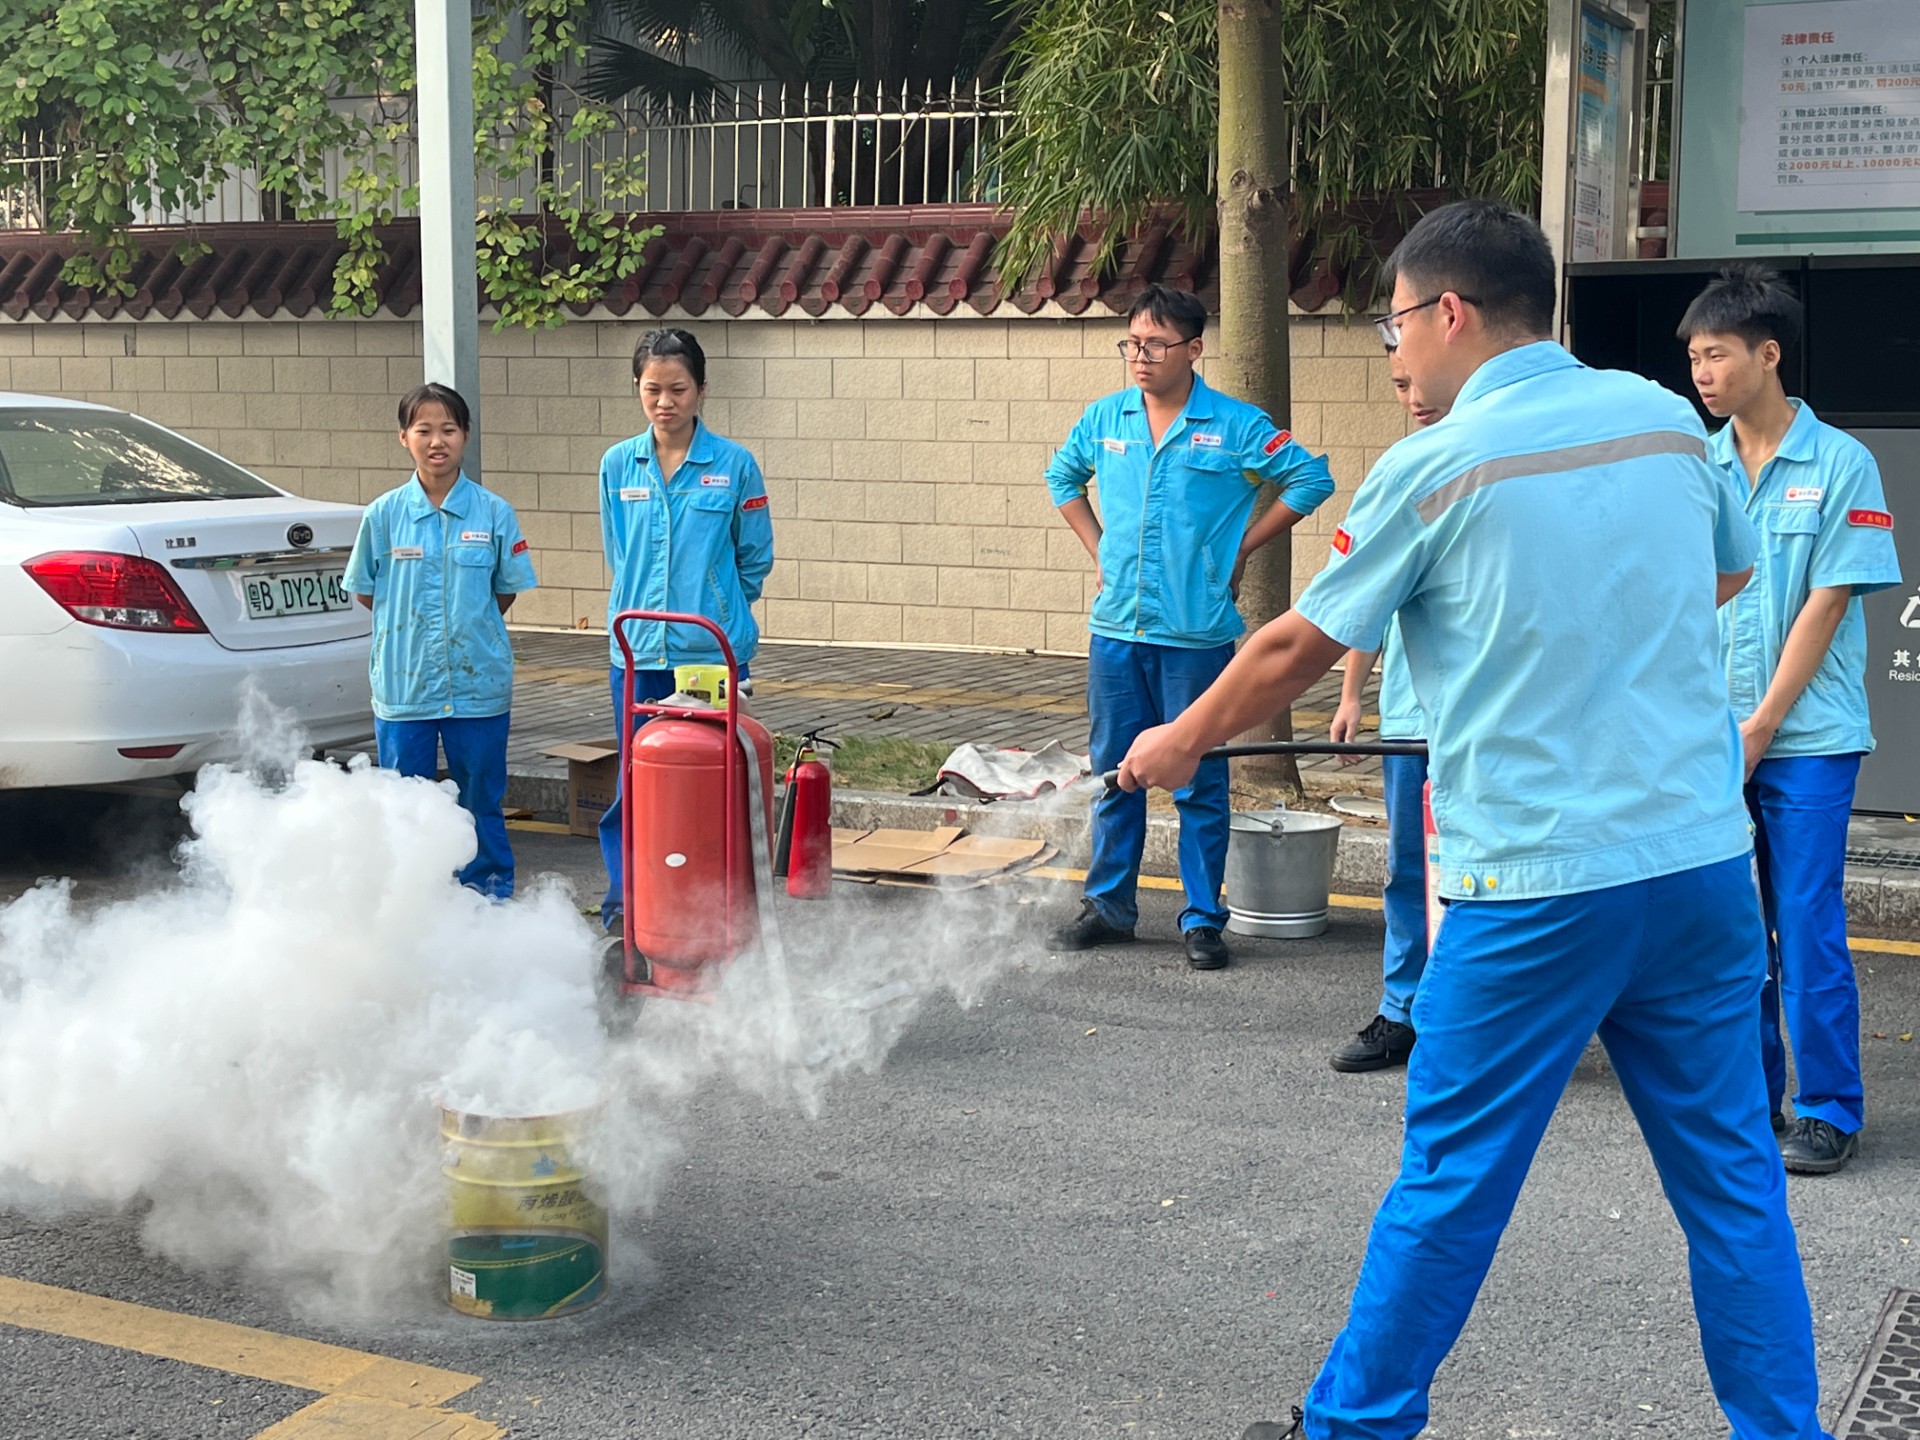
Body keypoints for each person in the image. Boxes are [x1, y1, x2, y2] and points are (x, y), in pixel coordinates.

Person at [1118, 201, 1835, 1440]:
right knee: (1733, 1183)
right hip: (1702, 865)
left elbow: (1299, 638)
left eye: (1395, 325)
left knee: (1450, 1185)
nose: (1392, 354)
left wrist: (1182, 740)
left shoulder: (1437, 463)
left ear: (1450, 313)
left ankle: (1355, 1426)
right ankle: (1784, 1429)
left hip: (1537, 886)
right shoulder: (1671, 422)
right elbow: (1723, 575)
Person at [1682, 264, 1902, 1175]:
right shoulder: (1698, 463)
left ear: (1767, 354)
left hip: (1806, 739)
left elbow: (1828, 601)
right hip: (1711, 734)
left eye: (1718, 354)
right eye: (1692, 356)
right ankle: (1754, 1099)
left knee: (1806, 920)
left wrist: (1763, 723)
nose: (1701, 372)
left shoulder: (1843, 461)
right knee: (1735, 926)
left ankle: (1828, 1106)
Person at [1043, 284, 1334, 970]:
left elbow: (1309, 480)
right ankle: (1109, 905)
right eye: (1131, 344)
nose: (1139, 357)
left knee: (1199, 779)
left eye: (1154, 345)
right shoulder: (1104, 418)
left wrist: (1240, 547)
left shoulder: (1233, 425)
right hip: (1116, 631)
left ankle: (1203, 917)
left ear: (1193, 349)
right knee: (1116, 773)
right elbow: (1062, 479)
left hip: (1196, 635)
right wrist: (1099, 550)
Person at [597, 327, 775, 936]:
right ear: (637, 389)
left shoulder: (734, 465)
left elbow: (754, 558)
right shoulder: (618, 464)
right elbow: (618, 550)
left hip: (711, 653)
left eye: (678, 388)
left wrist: (720, 606)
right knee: (637, 781)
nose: (665, 401)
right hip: (638, 651)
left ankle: (714, 907)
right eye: (653, 389)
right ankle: (628, 904)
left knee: (713, 784)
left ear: (701, 389)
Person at [343, 382, 538, 899]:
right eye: (423, 430)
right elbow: (367, 592)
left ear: (466, 436)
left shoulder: (494, 513)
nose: (437, 441)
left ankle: (489, 892)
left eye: (448, 429)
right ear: (403, 437)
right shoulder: (381, 516)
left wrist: (464, 628)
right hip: (405, 686)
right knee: (406, 803)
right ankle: (415, 898)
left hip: (479, 687)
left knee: (481, 797)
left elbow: (503, 591)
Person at [1324, 354, 1445, 1071]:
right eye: (1400, 386)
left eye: (1421, 381)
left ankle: (1476, 1018)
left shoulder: (1501, 467)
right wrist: (1349, 696)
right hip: (1409, 722)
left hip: (1488, 726)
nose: (1415, 396)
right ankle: (1401, 1011)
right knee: (1408, 871)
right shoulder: (1394, 475)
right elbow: (1362, 602)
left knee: (1490, 877)